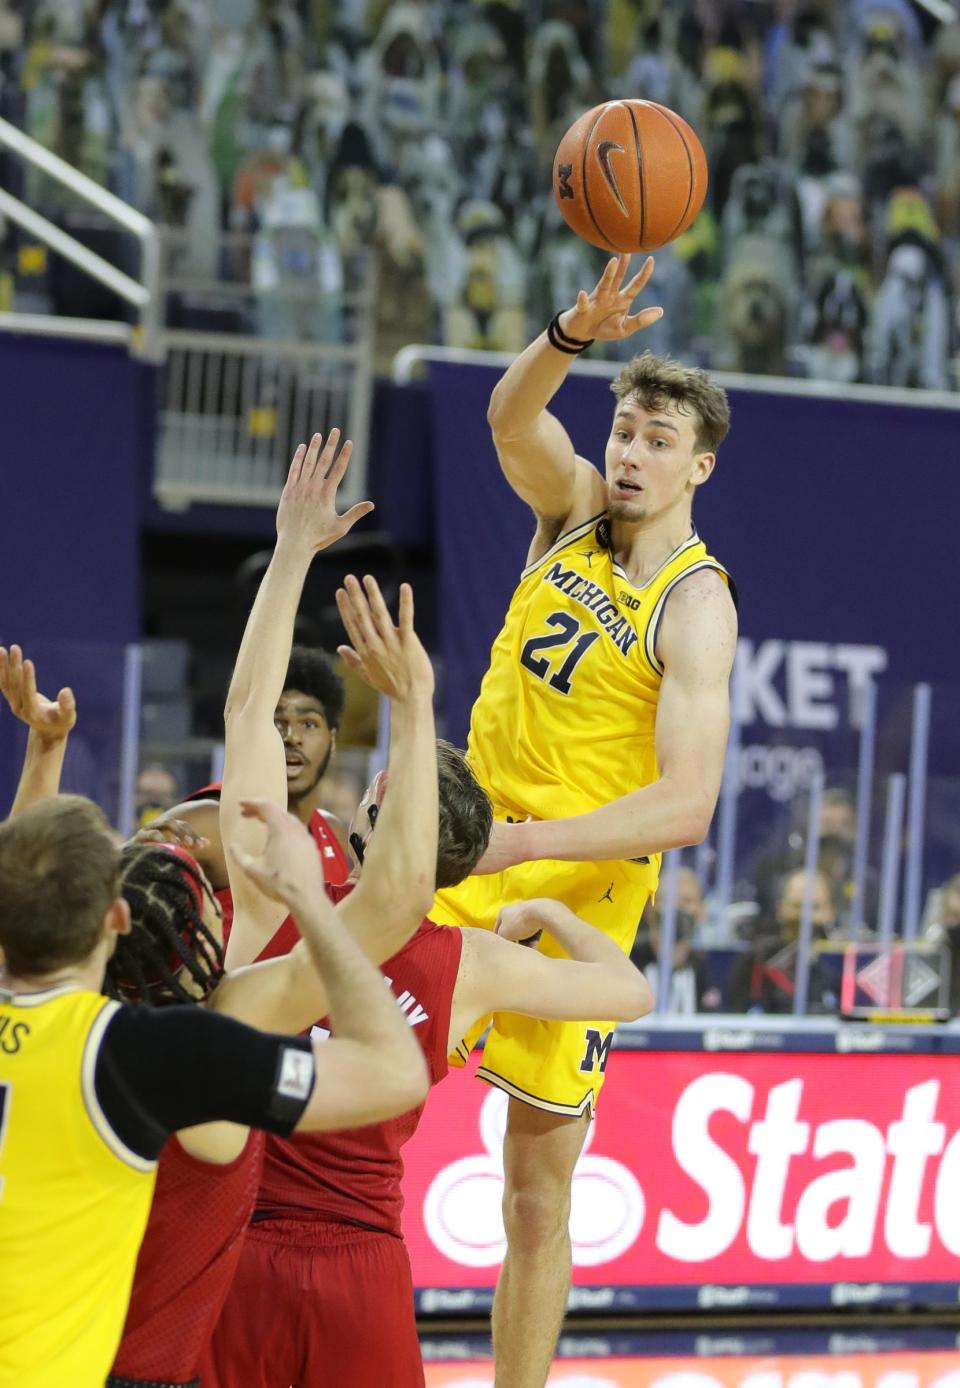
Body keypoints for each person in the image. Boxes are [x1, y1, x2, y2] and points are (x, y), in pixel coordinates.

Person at [187, 432, 654, 1388]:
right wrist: (550, 915)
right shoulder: (470, 963)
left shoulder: (277, 894)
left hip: (239, 1249)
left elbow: (246, 708)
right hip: (365, 1270)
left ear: (376, 802)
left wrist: (290, 557)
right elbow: (628, 993)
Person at [430, 253, 738, 1387]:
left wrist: (530, 845)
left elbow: (686, 803)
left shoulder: (697, 605)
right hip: (463, 853)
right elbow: (509, 417)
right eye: (626, 429)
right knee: (348, 1087)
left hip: (575, 894)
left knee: (534, 1185)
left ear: (698, 464)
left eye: (660, 438)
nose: (632, 452)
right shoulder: (565, 510)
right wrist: (568, 332)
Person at [0, 789, 429, 1388]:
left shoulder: (96, 1031)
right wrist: (309, 902)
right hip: (124, 1371)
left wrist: (45, 759)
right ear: (114, 919)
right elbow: (395, 1074)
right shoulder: (166, 1053)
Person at [727, 867, 839, 1014]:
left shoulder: (841, 962)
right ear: (780, 909)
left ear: (831, 912)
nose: (804, 916)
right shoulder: (756, 959)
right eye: (796, 906)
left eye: (814, 907)